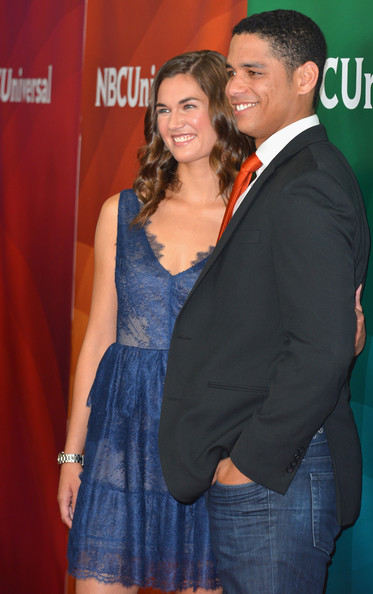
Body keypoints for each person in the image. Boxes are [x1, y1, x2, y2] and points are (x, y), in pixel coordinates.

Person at [159, 10, 370, 594]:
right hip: (267, 475)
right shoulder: (272, 171)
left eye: (254, 71)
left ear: (305, 78)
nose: (234, 88)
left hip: (278, 478)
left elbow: (322, 347)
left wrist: (248, 466)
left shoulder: (308, 181)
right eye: (231, 71)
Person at [57, 50, 253, 594]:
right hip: (119, 437)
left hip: (206, 444)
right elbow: (99, 337)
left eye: (188, 105)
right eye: (162, 109)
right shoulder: (121, 212)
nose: (173, 123)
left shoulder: (249, 216)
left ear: (221, 109)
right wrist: (72, 453)